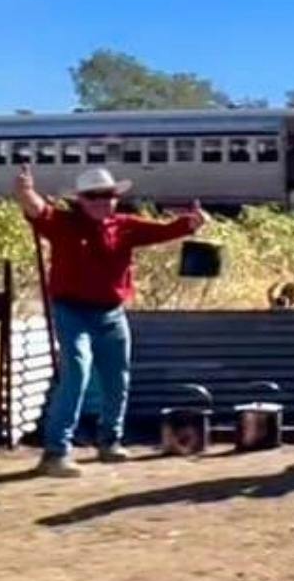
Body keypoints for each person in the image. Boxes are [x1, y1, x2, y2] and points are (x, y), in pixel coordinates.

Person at [16, 164, 206, 475]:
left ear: (115, 198)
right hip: (72, 309)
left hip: (110, 312)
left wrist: (191, 223)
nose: (101, 202)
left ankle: (109, 441)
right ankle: (56, 451)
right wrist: (25, 191)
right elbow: (37, 210)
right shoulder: (63, 223)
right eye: (93, 197)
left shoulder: (125, 226)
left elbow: (166, 230)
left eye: (107, 196)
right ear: (81, 200)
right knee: (76, 373)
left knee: (117, 378)